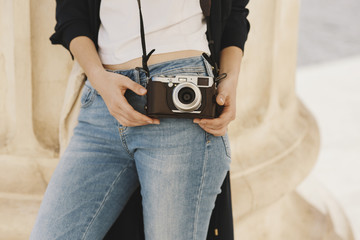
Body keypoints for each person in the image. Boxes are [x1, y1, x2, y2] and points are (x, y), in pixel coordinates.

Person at [30, 0, 250, 239]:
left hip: (181, 100)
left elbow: (235, 10)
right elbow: (71, 15)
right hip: (103, 104)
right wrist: (98, 77)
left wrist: (230, 79)